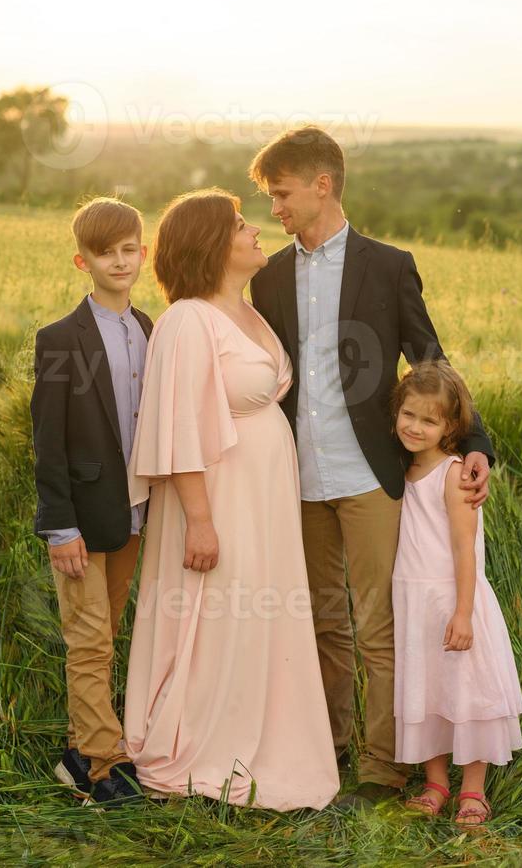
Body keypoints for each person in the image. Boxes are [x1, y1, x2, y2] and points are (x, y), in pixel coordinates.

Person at [248, 126, 496, 807]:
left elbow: (431, 361)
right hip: (295, 479)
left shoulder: (388, 266)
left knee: (377, 627)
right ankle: (325, 749)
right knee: (322, 623)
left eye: (282, 194)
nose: (277, 208)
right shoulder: (267, 276)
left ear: (321, 184)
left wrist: (478, 444)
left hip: (368, 478)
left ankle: (383, 767)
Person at [124, 188, 339, 811]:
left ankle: (269, 734)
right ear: (213, 243)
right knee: (219, 609)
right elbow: (179, 427)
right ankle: (204, 740)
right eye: (241, 225)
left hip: (266, 495)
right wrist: (199, 521)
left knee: (259, 610)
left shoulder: (249, 312)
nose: (254, 232)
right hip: (216, 496)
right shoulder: (189, 319)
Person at [30, 197, 153, 807]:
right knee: (89, 640)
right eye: (107, 252)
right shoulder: (59, 339)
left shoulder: (152, 329)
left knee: (110, 635)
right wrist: (59, 527)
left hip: (133, 514)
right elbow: (47, 444)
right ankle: (105, 766)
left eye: (129, 249)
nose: (120, 261)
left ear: (144, 252)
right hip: (81, 519)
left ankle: (78, 753)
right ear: (84, 261)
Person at [390, 360, 522, 826]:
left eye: (429, 420)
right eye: (409, 415)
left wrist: (464, 613)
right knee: (426, 688)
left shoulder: (453, 474)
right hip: (414, 602)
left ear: (451, 427)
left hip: (451, 599)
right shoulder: (401, 471)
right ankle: (435, 781)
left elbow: (466, 552)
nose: (415, 427)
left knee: (466, 690)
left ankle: (472, 788)